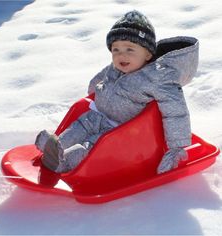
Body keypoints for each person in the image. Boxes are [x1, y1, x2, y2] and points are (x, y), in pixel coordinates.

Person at [35, 10, 199, 174]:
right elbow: (100, 78)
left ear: (148, 54)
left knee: (92, 146)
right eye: (116, 50)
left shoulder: (159, 77)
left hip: (118, 130)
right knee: (76, 129)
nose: (122, 55)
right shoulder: (117, 67)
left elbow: (176, 111)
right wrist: (93, 92)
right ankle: (55, 148)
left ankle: (65, 163)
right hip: (95, 116)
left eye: (130, 49)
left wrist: (177, 147)